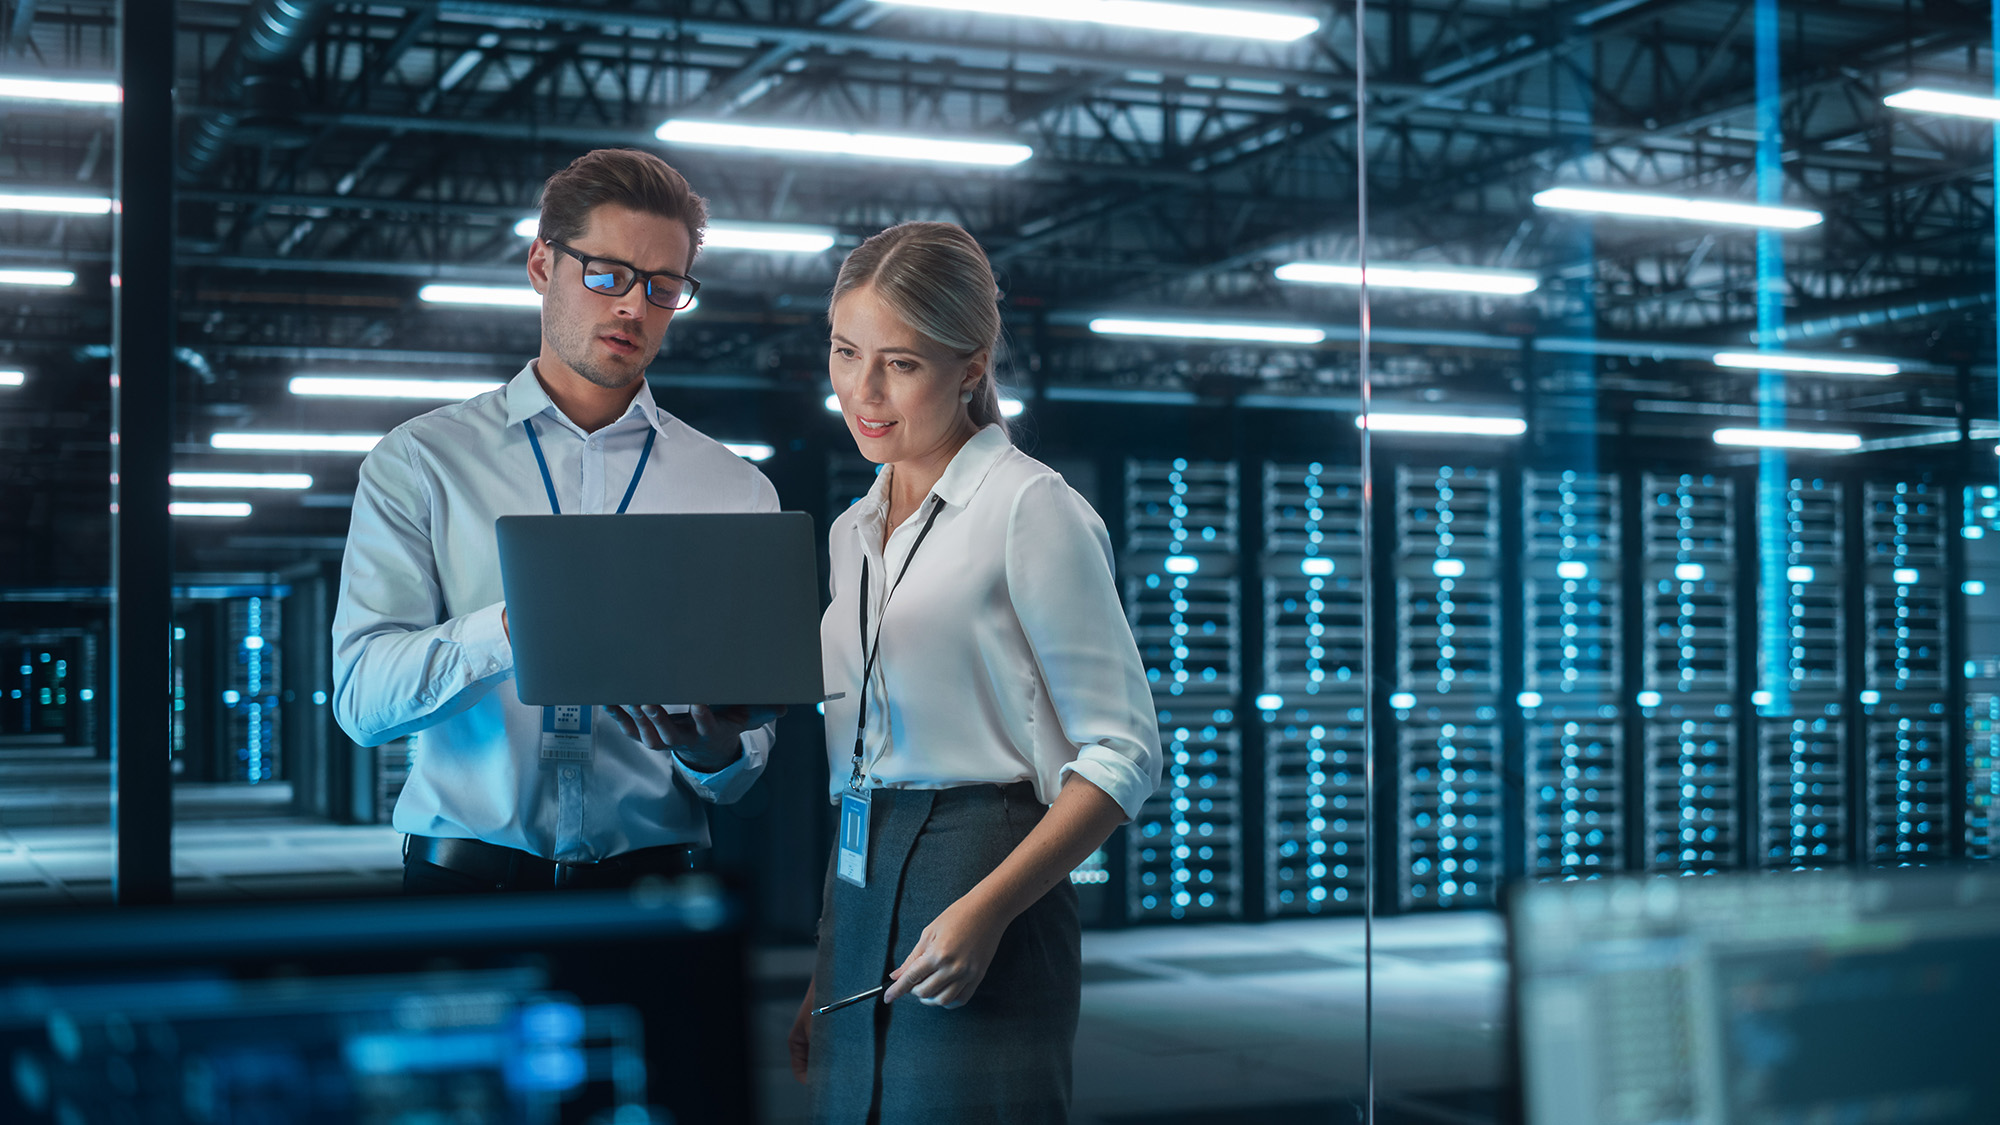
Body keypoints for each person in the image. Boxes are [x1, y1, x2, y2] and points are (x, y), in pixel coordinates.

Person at [790, 221, 1162, 1123]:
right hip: (860, 873)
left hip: (987, 868)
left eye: (901, 364)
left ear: (971, 365)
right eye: (846, 352)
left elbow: (1124, 752)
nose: (863, 391)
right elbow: (860, 767)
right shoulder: (851, 533)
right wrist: (824, 964)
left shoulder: (1029, 508)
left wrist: (985, 910)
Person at [332, 148, 781, 892]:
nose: (633, 307)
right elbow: (361, 705)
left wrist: (714, 749)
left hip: (656, 898)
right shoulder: (421, 461)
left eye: (664, 287)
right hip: (465, 894)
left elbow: (740, 775)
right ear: (542, 264)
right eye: (606, 275)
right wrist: (514, 628)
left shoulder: (735, 490)